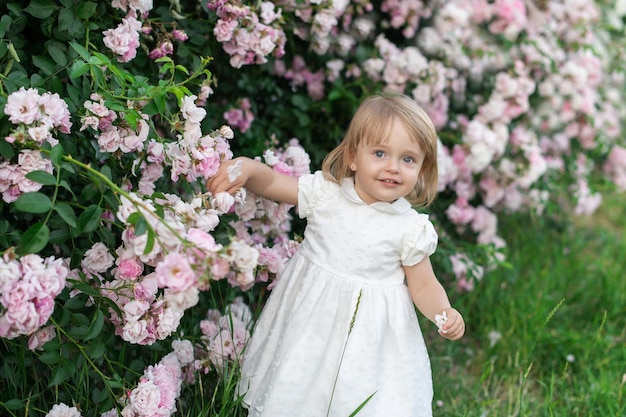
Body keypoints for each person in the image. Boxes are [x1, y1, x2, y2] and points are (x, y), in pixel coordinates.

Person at [208, 92, 465, 417]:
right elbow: (274, 182)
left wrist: (444, 312)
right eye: (380, 153)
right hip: (311, 324)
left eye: (408, 159)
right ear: (354, 156)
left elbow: (424, 285)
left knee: (359, 399)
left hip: (369, 341)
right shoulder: (324, 196)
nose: (393, 168)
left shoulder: (409, 229)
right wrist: (246, 168)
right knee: (299, 388)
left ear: (422, 168)